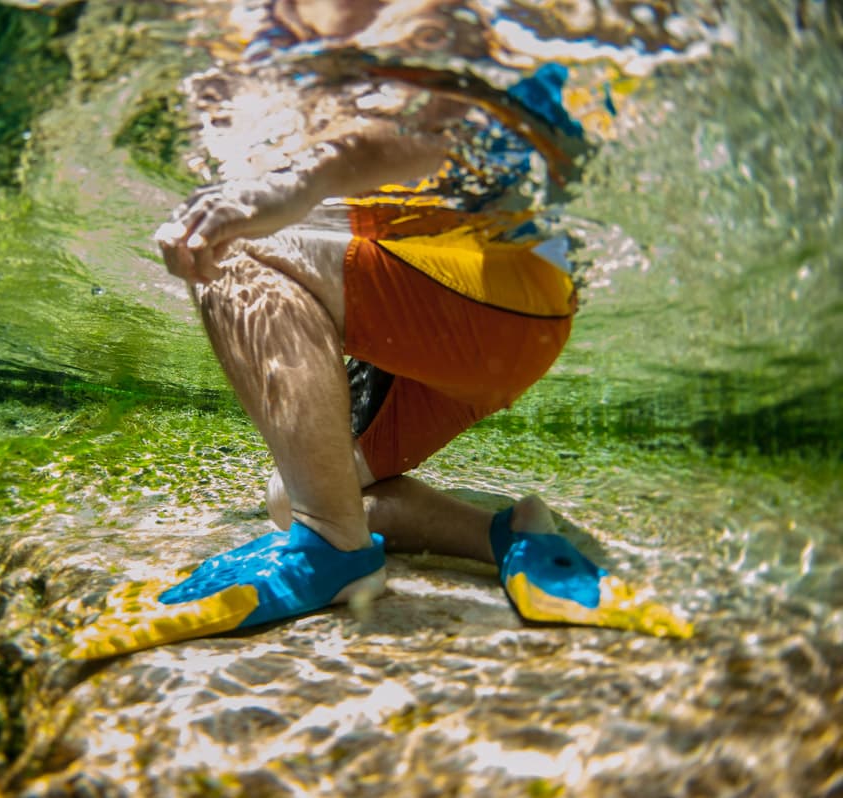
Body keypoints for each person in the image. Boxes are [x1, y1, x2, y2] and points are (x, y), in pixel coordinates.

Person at [67, 1, 691, 660]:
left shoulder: (427, 17)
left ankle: (330, 549)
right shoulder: (292, 38)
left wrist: (289, 183)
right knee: (299, 490)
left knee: (235, 247)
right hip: (477, 328)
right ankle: (511, 536)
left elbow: (446, 128)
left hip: (496, 286)